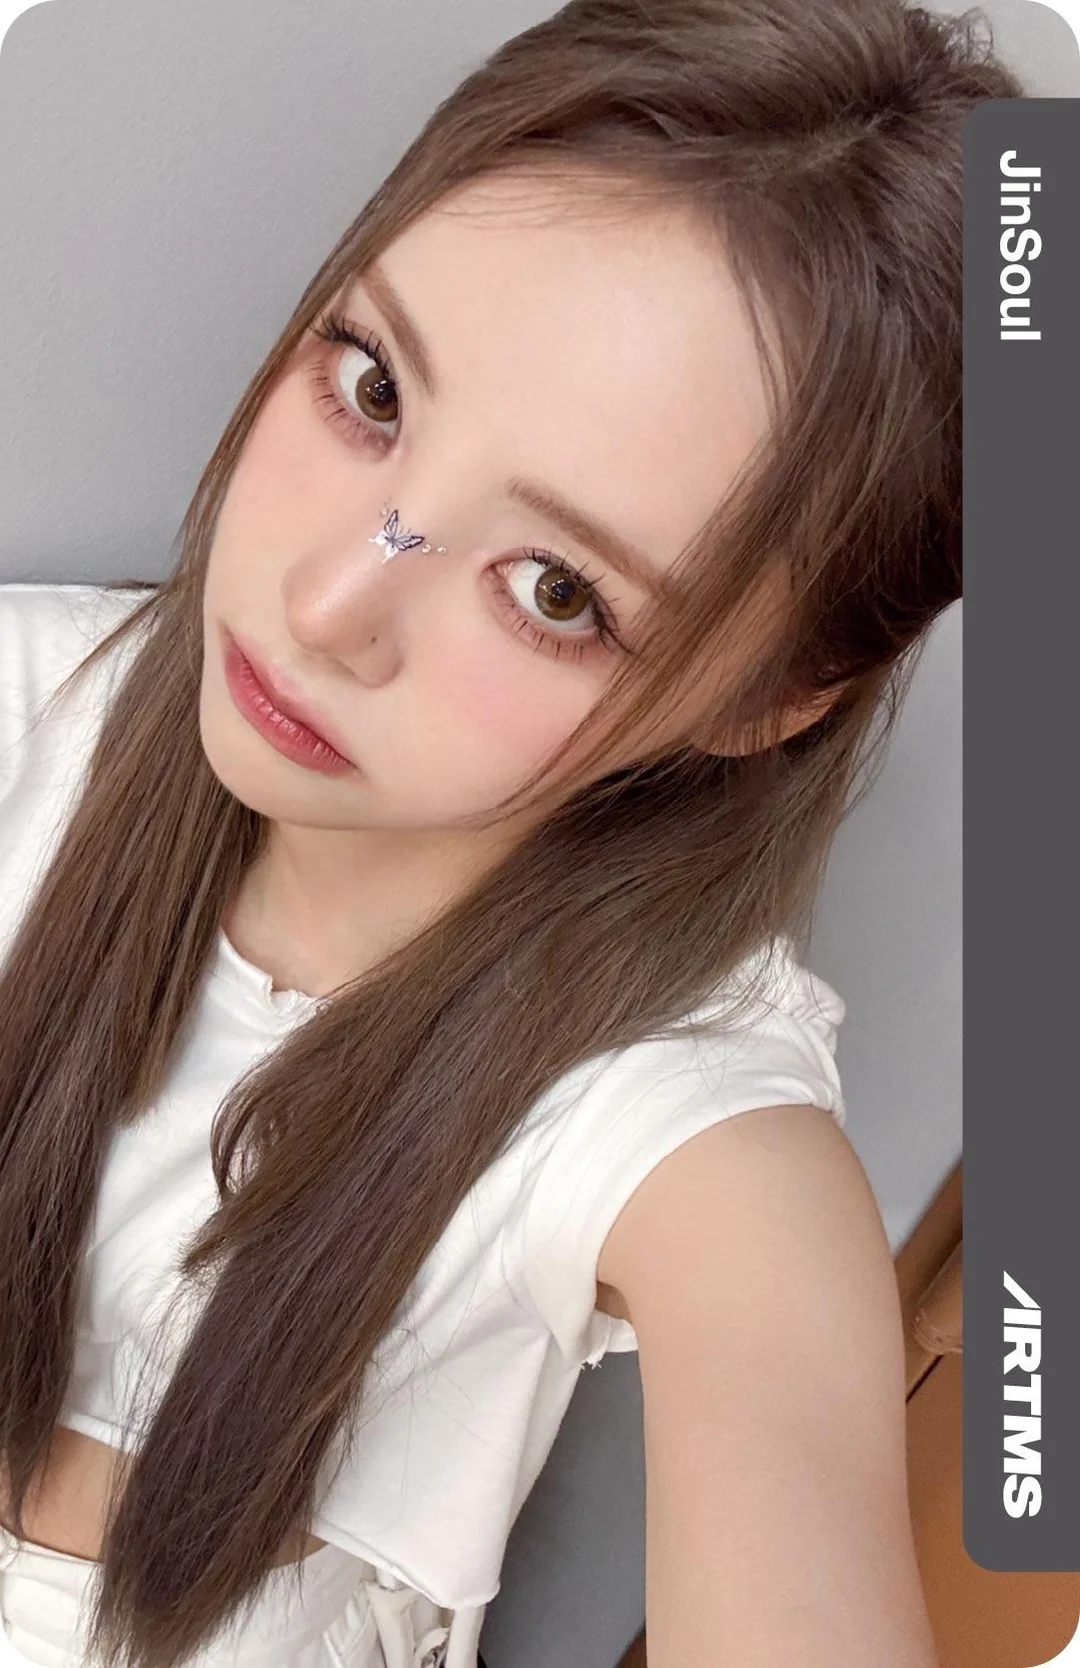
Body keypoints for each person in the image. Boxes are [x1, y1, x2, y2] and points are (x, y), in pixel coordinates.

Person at [0, 0, 1016, 1664]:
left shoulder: (677, 1127)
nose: (328, 608)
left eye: (555, 591)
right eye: (372, 387)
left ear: (768, 699)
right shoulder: (27, 710)